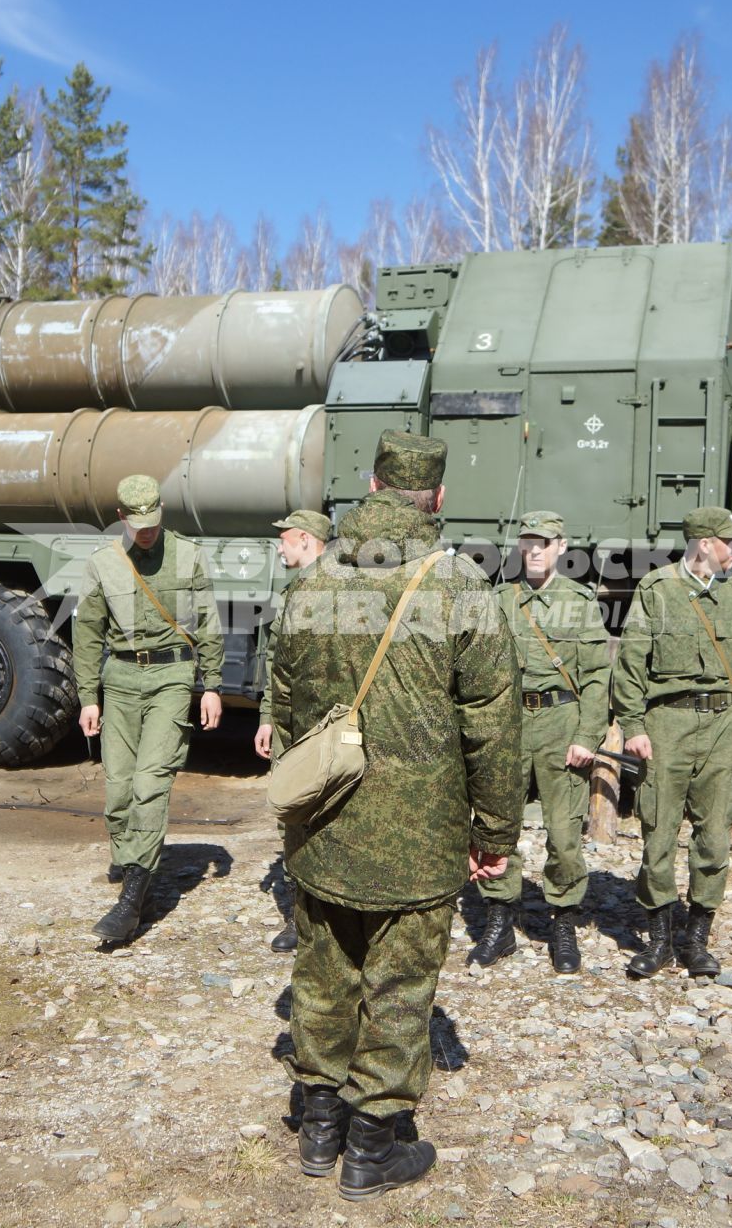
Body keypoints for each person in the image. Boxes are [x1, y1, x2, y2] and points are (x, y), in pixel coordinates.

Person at [266, 430, 522, 1201]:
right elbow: (493, 723)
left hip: (325, 826)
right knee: (402, 986)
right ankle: (371, 1147)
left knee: (322, 972)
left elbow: (285, 707)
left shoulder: (312, 583)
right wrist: (495, 833)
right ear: (437, 500)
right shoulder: (460, 587)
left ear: (372, 484)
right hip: (421, 835)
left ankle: (318, 1129)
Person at [610, 506, 732, 980]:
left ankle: (696, 940)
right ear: (704, 543)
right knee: (658, 829)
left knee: (716, 833)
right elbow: (631, 664)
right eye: (730, 542)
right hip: (667, 724)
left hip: (723, 725)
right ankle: (658, 939)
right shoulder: (657, 591)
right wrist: (634, 725)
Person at [73, 474, 225, 945]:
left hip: (172, 679)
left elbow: (207, 625)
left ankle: (132, 899)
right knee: (118, 789)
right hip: (119, 681)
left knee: (149, 783)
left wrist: (213, 686)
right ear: (121, 517)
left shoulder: (189, 555)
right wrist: (88, 697)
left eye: (153, 522)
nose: (147, 531)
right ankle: (128, 854)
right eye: (137, 523)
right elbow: (88, 634)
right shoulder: (103, 563)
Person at [469, 510, 611, 974]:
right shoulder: (499, 600)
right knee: (496, 824)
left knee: (566, 834)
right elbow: (478, 671)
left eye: (543, 543)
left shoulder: (581, 602)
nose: (534, 551)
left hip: (561, 722)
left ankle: (563, 923)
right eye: (527, 542)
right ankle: (499, 921)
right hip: (509, 724)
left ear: (560, 548)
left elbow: (596, 677)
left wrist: (587, 735)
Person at [254, 507, 332, 953]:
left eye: (284, 539)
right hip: (288, 725)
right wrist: (267, 718)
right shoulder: (290, 595)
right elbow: (275, 667)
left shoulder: (338, 592)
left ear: (303, 539)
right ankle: (300, 918)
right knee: (293, 816)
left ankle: (329, 917)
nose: (279, 546)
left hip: (323, 727)